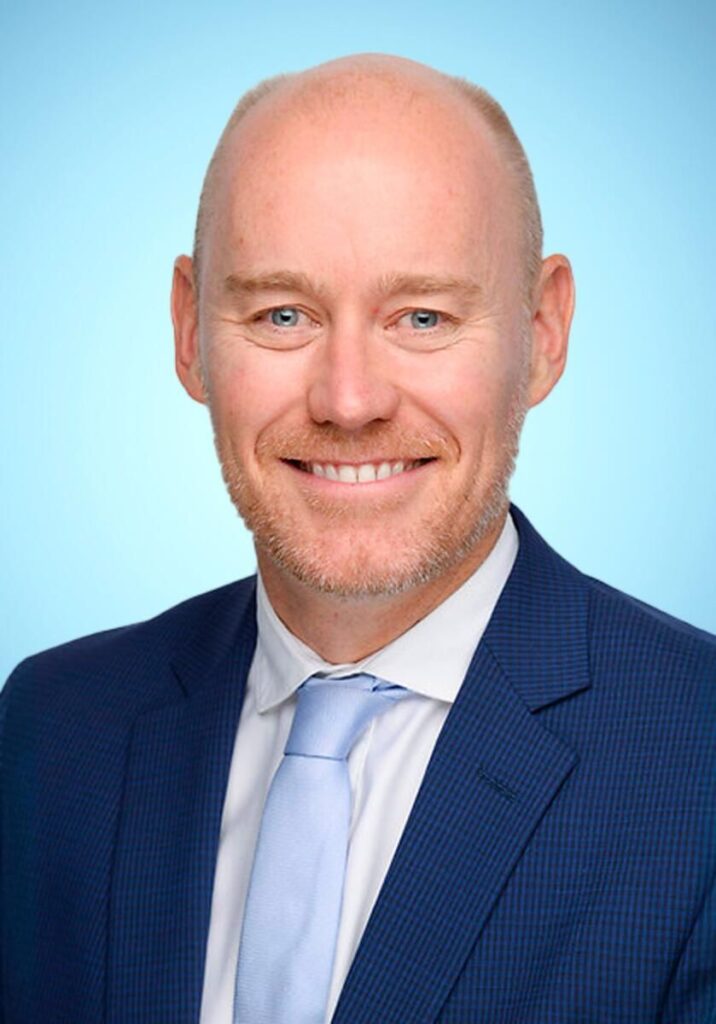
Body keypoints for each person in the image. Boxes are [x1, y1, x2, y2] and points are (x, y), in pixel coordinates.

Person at [1, 53, 714, 1024]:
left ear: (543, 333)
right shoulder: (52, 730)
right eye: (282, 314)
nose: (348, 400)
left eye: (421, 317)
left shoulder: (697, 761)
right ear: (189, 333)